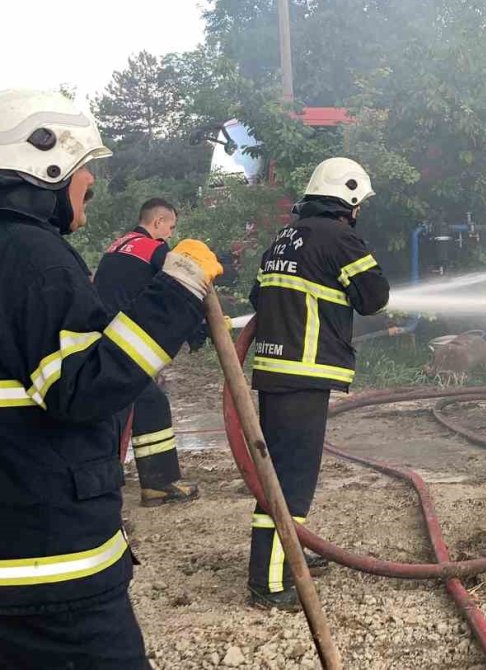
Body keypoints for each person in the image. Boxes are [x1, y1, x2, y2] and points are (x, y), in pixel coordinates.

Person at [0, 90, 222, 668]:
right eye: (83, 167)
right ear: (44, 163)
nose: (91, 180)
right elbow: (79, 387)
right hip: (47, 575)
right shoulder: (33, 256)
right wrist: (181, 288)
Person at [247, 157, 389, 609]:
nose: (359, 211)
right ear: (347, 198)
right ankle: (269, 582)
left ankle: (289, 552)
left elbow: (257, 296)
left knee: (284, 471)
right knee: (291, 479)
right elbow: (374, 297)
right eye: (358, 203)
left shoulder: (283, 239)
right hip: (304, 370)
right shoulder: (340, 237)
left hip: (274, 370)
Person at [94, 198, 207, 506]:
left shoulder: (117, 246)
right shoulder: (155, 251)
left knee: (120, 407)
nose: (170, 235)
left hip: (100, 337)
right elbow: (178, 291)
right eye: (169, 227)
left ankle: (116, 474)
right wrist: (199, 329)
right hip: (126, 341)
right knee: (152, 404)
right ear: (157, 223)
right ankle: (160, 482)